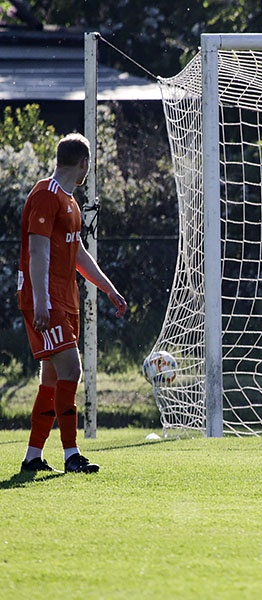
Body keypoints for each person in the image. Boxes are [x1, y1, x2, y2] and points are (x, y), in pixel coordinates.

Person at [17, 132, 127, 474]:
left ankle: (33, 457)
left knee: (51, 378)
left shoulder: (71, 202)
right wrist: (40, 302)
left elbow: (77, 254)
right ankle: (71, 456)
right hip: (47, 301)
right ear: (84, 163)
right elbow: (36, 251)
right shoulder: (45, 195)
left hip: (66, 299)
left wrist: (107, 287)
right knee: (72, 371)